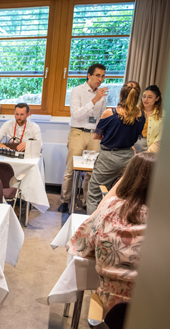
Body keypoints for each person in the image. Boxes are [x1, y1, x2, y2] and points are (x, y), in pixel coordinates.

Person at [67, 152, 155, 315]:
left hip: (110, 308)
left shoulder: (109, 208)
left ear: (127, 176)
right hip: (154, 313)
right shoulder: (164, 222)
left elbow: (80, 246)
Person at [86, 82, 145, 215]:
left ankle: (93, 224)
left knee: (95, 193)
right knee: (121, 194)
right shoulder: (142, 115)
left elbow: (97, 136)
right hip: (129, 158)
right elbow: (136, 136)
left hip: (109, 157)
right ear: (137, 97)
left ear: (120, 94)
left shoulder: (110, 113)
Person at [58, 63, 108, 213]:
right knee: (71, 169)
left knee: (92, 171)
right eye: (97, 75)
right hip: (78, 133)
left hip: (95, 135)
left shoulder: (102, 95)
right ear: (89, 75)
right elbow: (76, 114)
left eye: (103, 76)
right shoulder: (77, 91)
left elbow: (101, 116)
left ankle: (87, 201)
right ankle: (65, 201)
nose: (100, 79)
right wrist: (94, 100)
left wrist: (101, 134)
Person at [137, 85, 163, 153]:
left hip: (150, 148)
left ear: (157, 98)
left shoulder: (162, 115)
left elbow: (161, 136)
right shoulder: (135, 111)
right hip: (132, 146)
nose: (146, 99)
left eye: (150, 97)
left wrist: (149, 151)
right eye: (144, 96)